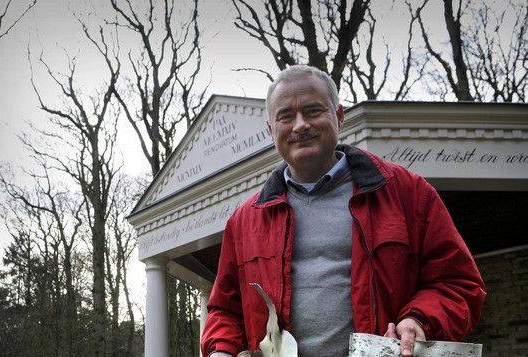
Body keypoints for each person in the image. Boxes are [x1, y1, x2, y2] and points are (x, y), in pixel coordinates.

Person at [200, 65, 486, 357]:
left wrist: (419, 319)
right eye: (286, 116)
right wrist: (221, 351)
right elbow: (225, 310)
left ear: (339, 116)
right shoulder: (244, 221)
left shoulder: (408, 194)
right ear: (271, 130)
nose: (300, 125)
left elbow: (459, 283)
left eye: (313, 111)